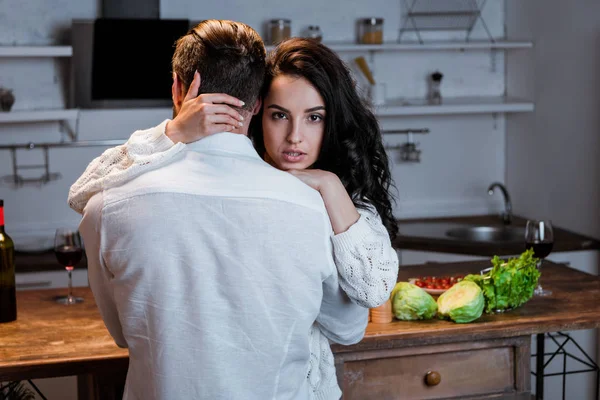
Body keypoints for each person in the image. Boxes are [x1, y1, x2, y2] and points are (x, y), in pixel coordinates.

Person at [76, 21, 370, 400]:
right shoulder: (313, 207)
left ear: (178, 90)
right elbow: (348, 328)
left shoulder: (107, 205)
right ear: (258, 103)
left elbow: (121, 333)